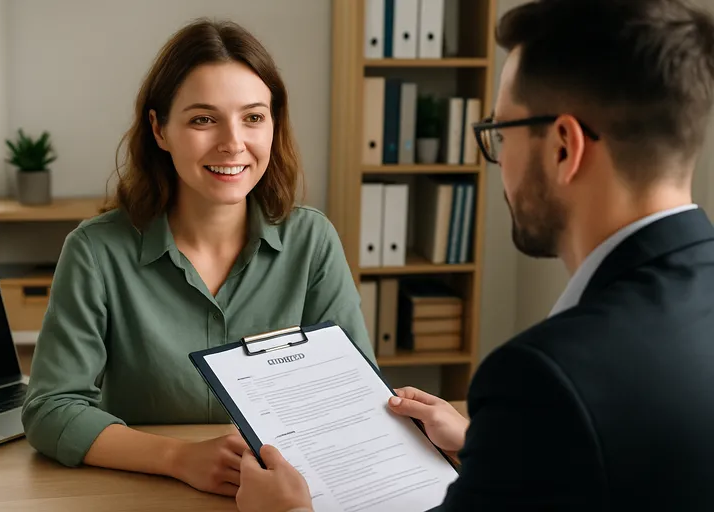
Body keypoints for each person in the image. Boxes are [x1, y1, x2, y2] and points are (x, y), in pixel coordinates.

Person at [235, 0, 714, 510]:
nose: (498, 159)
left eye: (499, 133)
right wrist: (492, 443)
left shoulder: (543, 376)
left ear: (562, 148)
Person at [21, 18, 376, 498]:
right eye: (203, 119)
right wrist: (177, 457)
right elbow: (51, 409)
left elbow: (355, 395)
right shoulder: (95, 251)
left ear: (274, 124)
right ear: (160, 129)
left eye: (253, 117)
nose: (233, 143)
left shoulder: (312, 240)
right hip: (140, 493)